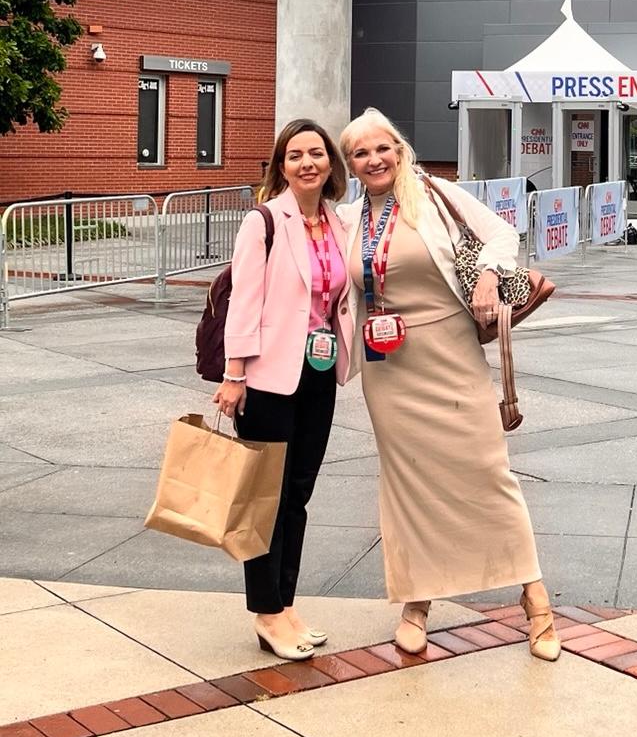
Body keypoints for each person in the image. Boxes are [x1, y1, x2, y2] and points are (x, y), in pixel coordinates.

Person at [338, 107, 559, 663]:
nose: (374, 160)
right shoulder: (349, 218)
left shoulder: (434, 194)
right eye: (360, 154)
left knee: (488, 474)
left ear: (400, 149)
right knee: (408, 484)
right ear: (351, 164)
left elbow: (502, 233)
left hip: (450, 351)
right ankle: (417, 602)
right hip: (388, 366)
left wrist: (486, 276)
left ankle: (536, 601)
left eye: (381, 148)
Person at [212, 119, 358, 661]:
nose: (307, 163)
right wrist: (234, 375)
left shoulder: (340, 223)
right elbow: (243, 301)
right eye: (294, 155)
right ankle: (266, 611)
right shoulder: (264, 221)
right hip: (268, 379)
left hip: (319, 376)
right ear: (280, 166)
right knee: (264, 501)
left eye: (316, 153)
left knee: (297, 495)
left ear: (330, 164)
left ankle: (285, 602)